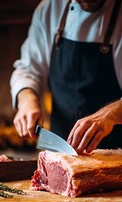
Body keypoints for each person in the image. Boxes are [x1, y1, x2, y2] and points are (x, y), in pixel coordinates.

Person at [10, 0, 122, 154]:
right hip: (62, 149)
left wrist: (111, 114)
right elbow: (28, 68)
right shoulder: (50, 8)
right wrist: (27, 100)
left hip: (117, 152)